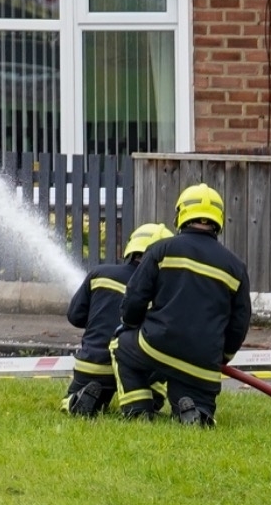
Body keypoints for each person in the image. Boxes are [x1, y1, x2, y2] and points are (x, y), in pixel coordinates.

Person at [113, 183, 250, 426]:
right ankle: (195, 410)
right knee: (195, 393)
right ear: (218, 219)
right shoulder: (236, 267)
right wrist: (222, 357)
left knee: (120, 345)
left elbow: (135, 297)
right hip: (203, 363)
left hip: (157, 347)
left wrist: (131, 325)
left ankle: (139, 410)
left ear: (180, 214)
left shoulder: (161, 249)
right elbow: (239, 323)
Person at [64, 221, 170, 416]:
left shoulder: (99, 274)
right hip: (132, 369)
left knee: (78, 400)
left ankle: (75, 401)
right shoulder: (160, 292)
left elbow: (75, 316)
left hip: (92, 363)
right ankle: (150, 402)